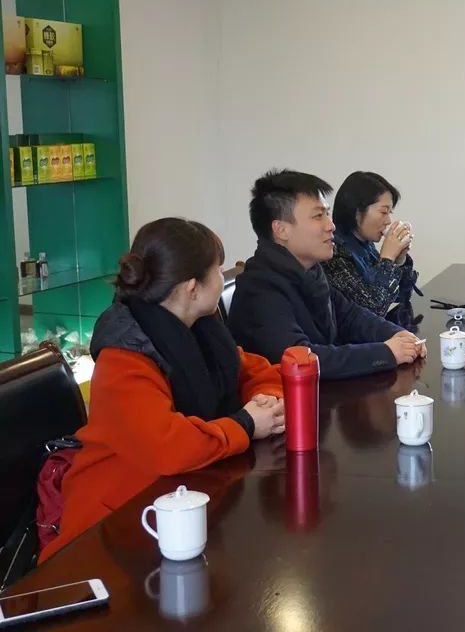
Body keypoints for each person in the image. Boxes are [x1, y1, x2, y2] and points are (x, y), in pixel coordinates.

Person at [39, 218, 285, 563]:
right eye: (217, 270)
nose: (224, 277)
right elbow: (168, 446)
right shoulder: (123, 356)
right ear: (191, 288)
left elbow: (256, 370)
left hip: (183, 496)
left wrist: (266, 399)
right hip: (117, 522)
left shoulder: (201, 330)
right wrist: (245, 424)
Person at [227, 169, 426, 380]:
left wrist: (398, 335)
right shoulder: (260, 289)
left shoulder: (310, 270)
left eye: (327, 214)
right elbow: (303, 360)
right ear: (281, 230)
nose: (331, 225)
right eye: (318, 216)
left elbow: (350, 316)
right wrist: (386, 352)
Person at [322, 171, 422, 325]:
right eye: (383, 212)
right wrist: (387, 259)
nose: (388, 221)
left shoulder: (366, 246)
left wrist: (400, 260)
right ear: (356, 211)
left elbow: (402, 296)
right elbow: (373, 310)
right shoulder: (334, 252)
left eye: (390, 212)